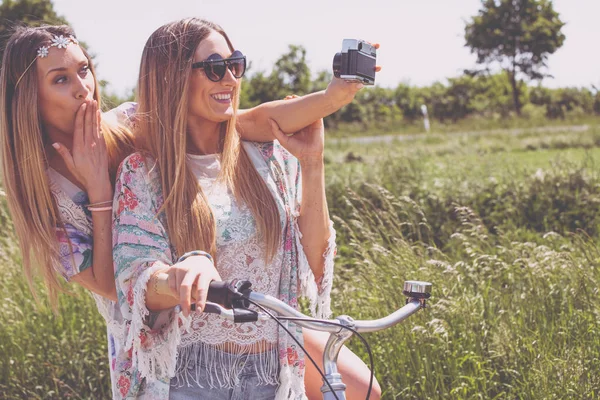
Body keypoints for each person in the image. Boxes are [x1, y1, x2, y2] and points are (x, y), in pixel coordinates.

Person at [0, 24, 380, 399]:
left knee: (359, 388)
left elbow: (242, 122)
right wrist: (100, 189)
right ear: (30, 96)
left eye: (84, 70)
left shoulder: (127, 123)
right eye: (61, 79)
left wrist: (333, 98)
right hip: (152, 317)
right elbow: (114, 285)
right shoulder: (43, 196)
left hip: (233, 287)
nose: (83, 87)